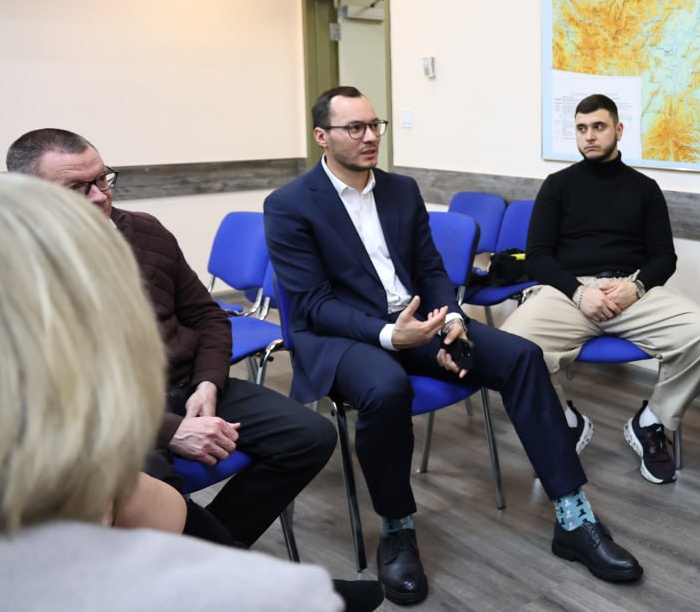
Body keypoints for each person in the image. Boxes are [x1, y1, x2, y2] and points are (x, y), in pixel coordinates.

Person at [263, 86, 642, 605]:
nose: (370, 136)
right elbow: (312, 304)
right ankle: (397, 527)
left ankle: (572, 516)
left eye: (375, 125)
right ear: (322, 137)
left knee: (522, 357)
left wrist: (454, 319)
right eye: (355, 128)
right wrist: (389, 335)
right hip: (343, 336)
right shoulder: (289, 205)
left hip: (419, 318)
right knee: (386, 388)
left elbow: (430, 269)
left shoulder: (400, 190)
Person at [0, 173, 343, 611]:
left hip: (186, 385)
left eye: (103, 178)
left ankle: (208, 565)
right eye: (78, 187)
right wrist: (169, 429)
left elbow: (207, 316)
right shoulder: (22, 273)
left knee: (310, 436)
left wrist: (207, 384)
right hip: (116, 414)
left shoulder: (145, 230)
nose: (100, 195)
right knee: (144, 484)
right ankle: (223, 575)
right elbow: (58, 397)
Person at [502, 93, 700, 484]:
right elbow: (536, 257)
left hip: (629, 289)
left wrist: (635, 287)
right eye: (581, 128)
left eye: (598, 127)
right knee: (508, 348)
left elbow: (664, 258)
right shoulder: (557, 186)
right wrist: (578, 292)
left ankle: (652, 421)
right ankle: (566, 422)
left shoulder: (645, 188)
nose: (589, 136)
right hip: (570, 293)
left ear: (618, 130)